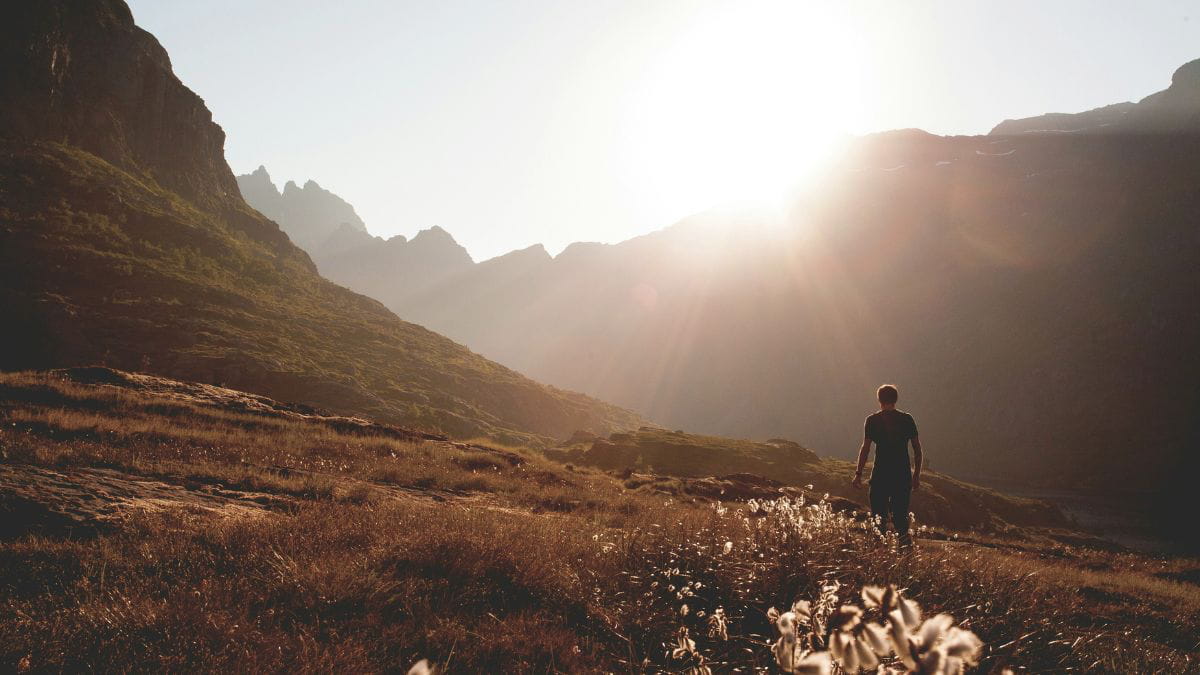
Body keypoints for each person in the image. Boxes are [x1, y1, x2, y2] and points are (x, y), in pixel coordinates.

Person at [852, 384, 923, 545]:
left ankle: (879, 559)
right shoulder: (907, 419)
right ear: (896, 399)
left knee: (878, 520)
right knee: (901, 520)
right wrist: (916, 475)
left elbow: (866, 449)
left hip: (880, 476)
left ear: (879, 400)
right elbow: (917, 449)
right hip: (902, 476)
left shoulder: (872, 420)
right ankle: (906, 560)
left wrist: (858, 474)